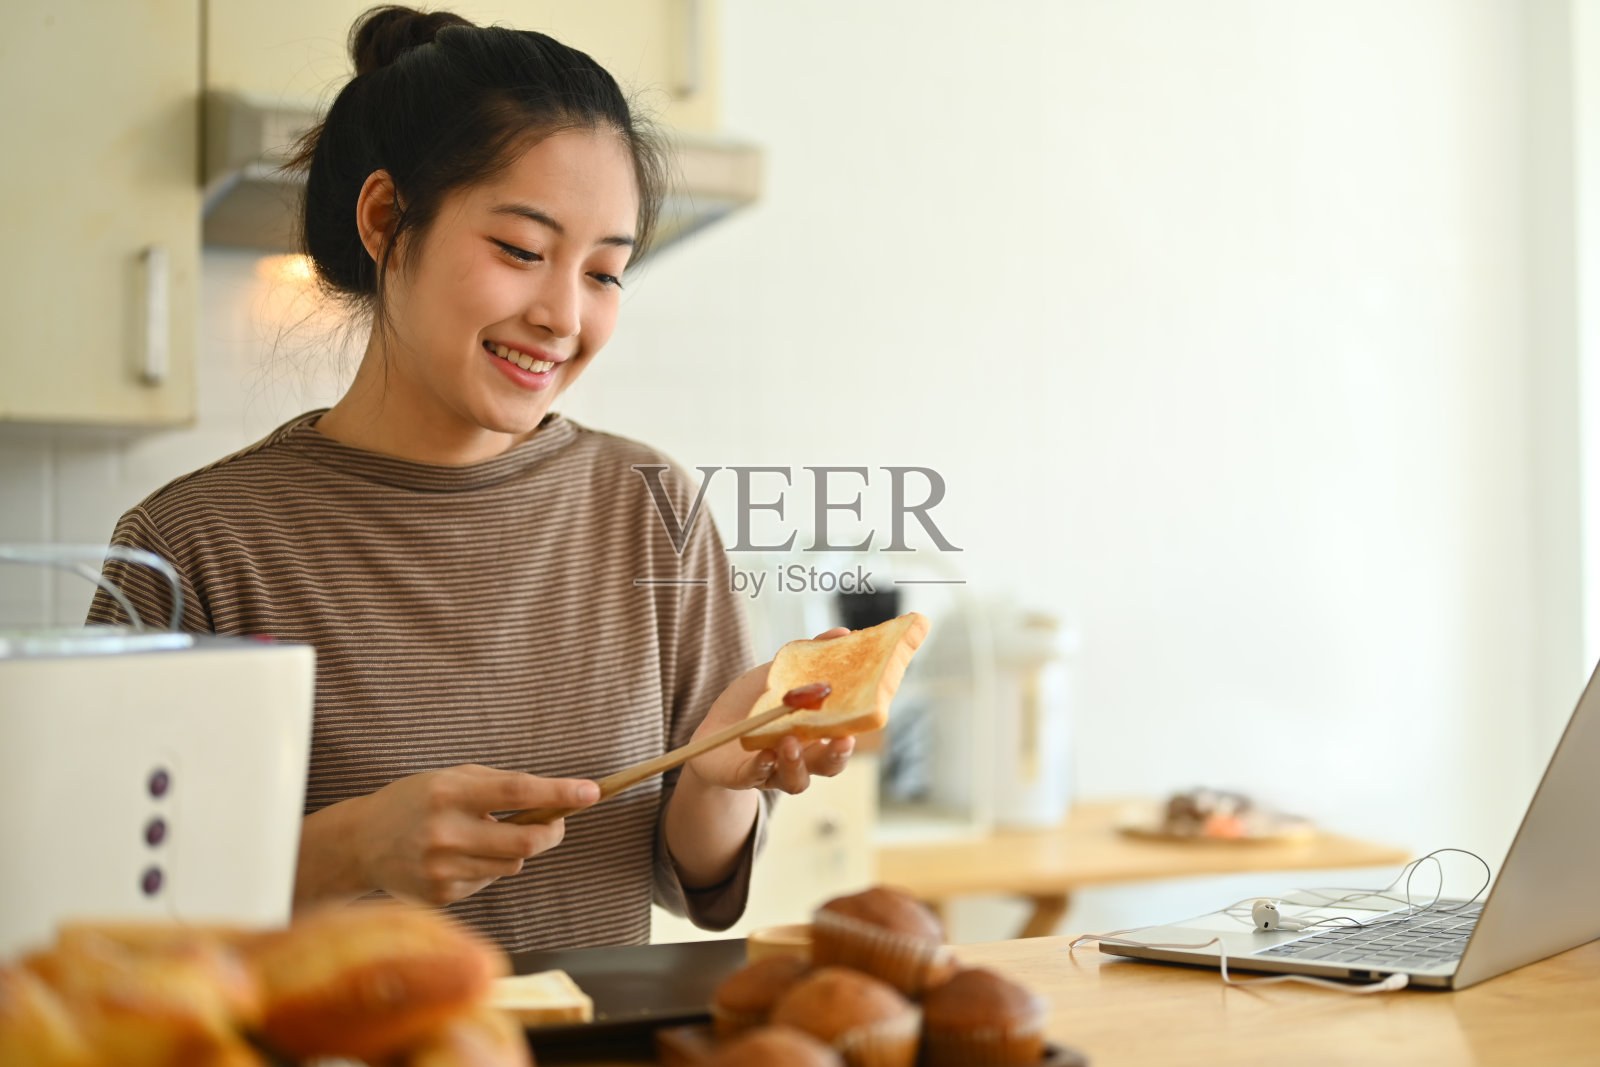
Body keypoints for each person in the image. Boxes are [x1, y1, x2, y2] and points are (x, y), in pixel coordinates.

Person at [88, 5, 855, 953]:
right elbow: (106, 910)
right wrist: (353, 848)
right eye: (522, 251)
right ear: (385, 220)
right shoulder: (192, 544)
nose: (562, 315)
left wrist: (711, 778)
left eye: (606, 273)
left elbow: (687, 876)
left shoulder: (651, 505)